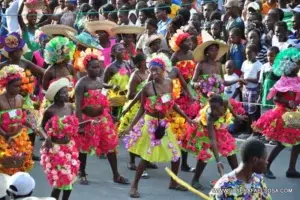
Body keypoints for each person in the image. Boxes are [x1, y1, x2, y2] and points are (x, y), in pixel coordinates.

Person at [122, 54, 197, 198]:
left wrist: (187, 118)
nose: (153, 73)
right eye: (151, 70)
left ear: (163, 70)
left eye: (156, 70)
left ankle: (173, 182)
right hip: (150, 124)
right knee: (147, 157)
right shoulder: (147, 88)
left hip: (164, 124)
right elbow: (141, 109)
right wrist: (131, 126)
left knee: (176, 155)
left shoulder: (169, 83)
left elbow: (172, 104)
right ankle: (134, 186)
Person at [75, 48, 129, 185]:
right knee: (84, 148)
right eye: (93, 67)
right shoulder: (81, 83)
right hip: (88, 121)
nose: (96, 69)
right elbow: (77, 106)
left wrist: (111, 115)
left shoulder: (99, 80)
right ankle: (82, 173)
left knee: (110, 146)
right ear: (86, 68)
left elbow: (103, 98)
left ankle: (116, 174)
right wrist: (80, 125)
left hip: (103, 119)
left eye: (98, 67)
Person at [252, 48, 300, 179]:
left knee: (297, 142)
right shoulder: (283, 80)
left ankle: (291, 169)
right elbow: (276, 98)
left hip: (293, 114)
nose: (299, 67)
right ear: (290, 66)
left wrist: (295, 103)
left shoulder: (297, 79)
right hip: (282, 114)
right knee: (281, 143)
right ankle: (266, 166)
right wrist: (288, 102)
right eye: (297, 64)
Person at [40, 78, 92, 200]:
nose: (66, 94)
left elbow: (75, 125)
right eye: (63, 93)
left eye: (66, 91)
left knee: (69, 180)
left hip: (69, 148)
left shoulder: (70, 107)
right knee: (58, 183)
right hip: (56, 150)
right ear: (56, 96)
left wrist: (89, 122)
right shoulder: (50, 110)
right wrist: (46, 137)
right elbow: (41, 127)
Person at [182, 94, 245, 189]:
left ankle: (238, 178)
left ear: (221, 105)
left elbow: (229, 107)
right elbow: (212, 139)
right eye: (212, 108)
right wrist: (218, 162)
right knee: (206, 153)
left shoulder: (224, 102)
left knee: (230, 151)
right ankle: (195, 180)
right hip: (205, 131)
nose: (214, 111)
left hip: (219, 128)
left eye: (216, 108)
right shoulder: (210, 116)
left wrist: (236, 116)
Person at [0, 65, 40, 175]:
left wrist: (32, 126)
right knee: (5, 169)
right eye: (15, 86)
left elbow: (21, 118)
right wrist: (5, 135)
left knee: (19, 168)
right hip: (3, 139)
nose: (18, 89)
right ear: (6, 85)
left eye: (19, 86)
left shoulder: (20, 99)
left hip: (19, 138)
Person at [103, 43, 132, 119]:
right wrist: (112, 86)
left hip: (127, 98)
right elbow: (102, 84)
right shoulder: (110, 68)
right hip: (115, 100)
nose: (123, 51)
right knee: (116, 120)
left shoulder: (127, 64)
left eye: (123, 49)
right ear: (114, 53)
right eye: (120, 49)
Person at [240, 44, 262, 139]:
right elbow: (242, 75)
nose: (247, 55)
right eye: (246, 53)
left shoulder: (259, 65)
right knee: (246, 111)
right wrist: (241, 80)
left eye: (249, 53)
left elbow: (258, 79)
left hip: (254, 90)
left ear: (256, 53)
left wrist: (248, 79)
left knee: (253, 112)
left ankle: (255, 132)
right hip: (245, 89)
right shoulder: (245, 63)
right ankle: (248, 130)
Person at [259, 46, 280, 115]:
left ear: (277, 56)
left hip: (276, 97)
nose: (269, 58)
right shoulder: (264, 67)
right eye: (268, 56)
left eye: (272, 56)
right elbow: (262, 83)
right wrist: (260, 96)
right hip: (265, 95)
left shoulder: (280, 67)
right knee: (265, 116)